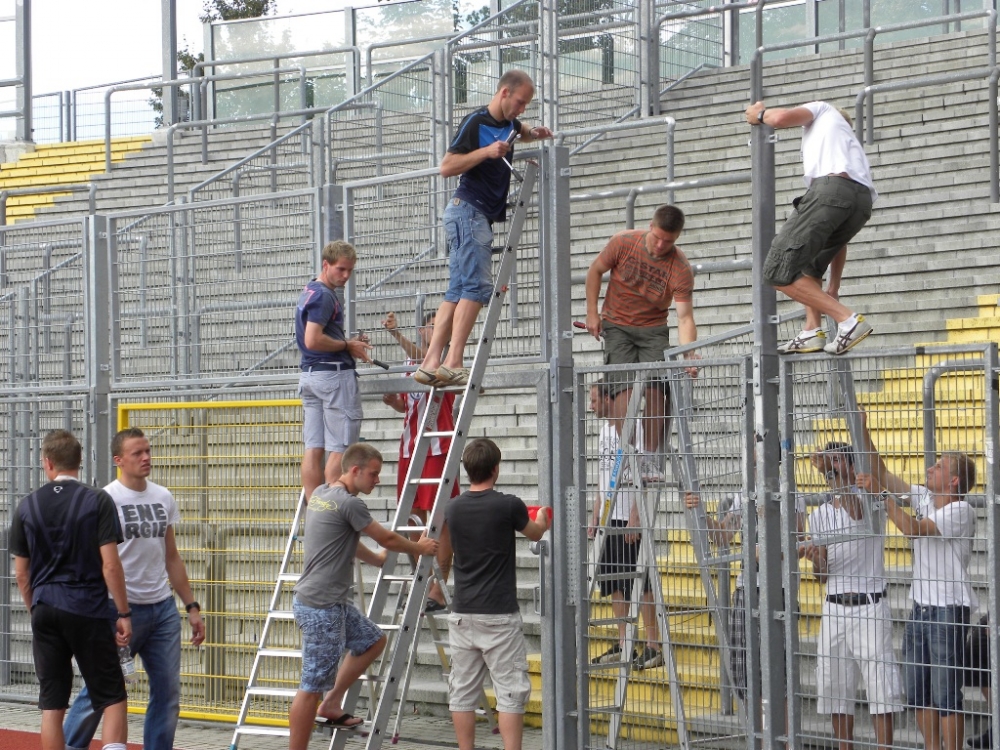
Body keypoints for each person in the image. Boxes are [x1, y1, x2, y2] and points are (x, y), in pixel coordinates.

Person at [287, 443, 439, 750]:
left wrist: (378, 561)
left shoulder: (322, 494)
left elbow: (345, 539)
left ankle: (332, 703)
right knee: (310, 688)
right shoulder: (350, 504)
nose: (377, 480)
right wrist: (419, 548)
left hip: (326, 603)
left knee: (373, 640)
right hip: (322, 608)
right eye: (373, 474)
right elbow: (387, 537)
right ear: (355, 470)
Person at [63, 428, 206, 750]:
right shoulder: (104, 499)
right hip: (119, 609)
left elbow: (171, 556)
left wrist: (191, 606)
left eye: (148, 451)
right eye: (137, 453)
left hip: (162, 608)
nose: (146, 457)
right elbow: (96, 561)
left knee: (168, 692)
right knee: (102, 688)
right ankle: (69, 745)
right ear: (118, 460)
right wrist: (110, 610)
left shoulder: (163, 497)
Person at [414, 70, 553, 388]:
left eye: (526, 105)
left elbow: (522, 130)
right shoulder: (476, 122)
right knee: (476, 289)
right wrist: (486, 153)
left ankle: (430, 362)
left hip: (473, 215)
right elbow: (447, 167)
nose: (521, 109)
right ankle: (453, 361)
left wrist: (536, 133)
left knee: (457, 290)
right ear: (504, 93)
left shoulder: (511, 124)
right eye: (520, 102)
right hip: (469, 212)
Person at [9, 430, 131, 750]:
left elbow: (21, 573)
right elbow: (111, 565)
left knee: (52, 705)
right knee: (113, 696)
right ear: (80, 461)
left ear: (47, 463)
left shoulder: (27, 505)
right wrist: (123, 612)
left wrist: (35, 609)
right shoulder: (97, 500)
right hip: (87, 607)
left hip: (45, 606)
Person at [858, 445, 978, 750]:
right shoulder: (925, 496)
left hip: (948, 609)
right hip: (921, 607)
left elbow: (912, 529)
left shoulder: (960, 510)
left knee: (946, 693)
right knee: (918, 692)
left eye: (939, 467)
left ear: (953, 481)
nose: (930, 469)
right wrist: (863, 430)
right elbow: (882, 472)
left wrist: (882, 496)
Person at [745, 100, 877, 355]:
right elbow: (837, 242)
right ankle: (812, 330)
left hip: (830, 190)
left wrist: (759, 114)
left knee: (776, 270)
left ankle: (848, 320)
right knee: (809, 265)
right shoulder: (849, 148)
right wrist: (833, 287)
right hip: (860, 202)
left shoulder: (823, 110)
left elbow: (780, 118)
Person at [445, 438, 550, 750]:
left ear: (467, 470)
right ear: (495, 468)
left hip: (462, 611)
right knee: (510, 692)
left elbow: (446, 553)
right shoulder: (508, 505)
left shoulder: (453, 508)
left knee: (462, 692)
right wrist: (542, 517)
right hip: (498, 613)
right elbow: (535, 533)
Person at [584, 204, 699, 479]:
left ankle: (648, 457)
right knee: (623, 390)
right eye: (657, 237)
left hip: (653, 329)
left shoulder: (680, 268)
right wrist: (592, 313)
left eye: (668, 241)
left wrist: (689, 353)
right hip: (617, 325)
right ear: (650, 226)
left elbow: (685, 317)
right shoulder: (623, 242)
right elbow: (595, 271)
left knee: (658, 388)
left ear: (677, 237)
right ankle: (629, 452)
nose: (660, 246)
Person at [802, 441, 902, 750]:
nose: (830, 467)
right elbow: (822, 575)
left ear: (852, 466)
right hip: (834, 607)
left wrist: (835, 474)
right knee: (835, 689)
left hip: (869, 605)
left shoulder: (868, 500)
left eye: (836, 461)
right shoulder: (818, 515)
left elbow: (855, 511)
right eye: (827, 461)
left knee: (881, 689)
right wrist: (815, 559)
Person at [684, 485, 806, 703]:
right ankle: (756, 725)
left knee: (781, 675)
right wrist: (701, 512)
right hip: (746, 589)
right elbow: (722, 536)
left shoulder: (788, 490)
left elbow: (799, 543)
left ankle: (782, 726)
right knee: (746, 673)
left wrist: (767, 552)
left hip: (779, 589)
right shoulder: (745, 493)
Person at [382, 310, 458, 612]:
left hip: (437, 446)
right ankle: (421, 582)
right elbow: (409, 406)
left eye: (438, 326)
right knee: (412, 516)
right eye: (429, 325)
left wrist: (396, 335)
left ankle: (439, 589)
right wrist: (394, 403)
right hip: (410, 447)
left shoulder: (448, 359)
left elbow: (427, 360)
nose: (432, 330)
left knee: (440, 517)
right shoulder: (410, 363)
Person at [586, 380, 663, 671]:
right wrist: (596, 512)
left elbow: (645, 471)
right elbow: (602, 476)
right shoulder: (604, 431)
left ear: (609, 399)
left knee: (641, 582)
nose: (591, 406)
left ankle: (653, 645)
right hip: (609, 516)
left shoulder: (636, 428)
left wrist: (636, 513)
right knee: (614, 583)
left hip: (629, 514)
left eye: (595, 400)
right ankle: (624, 642)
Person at [296, 239, 374, 501]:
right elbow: (313, 339)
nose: (346, 276)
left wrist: (346, 343)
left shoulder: (310, 289)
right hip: (332, 376)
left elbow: (316, 338)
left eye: (350, 270)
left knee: (313, 448)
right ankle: (331, 510)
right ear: (325, 264)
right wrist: (346, 345)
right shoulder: (325, 295)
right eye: (341, 269)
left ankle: (316, 511)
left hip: (310, 375)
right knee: (339, 449)